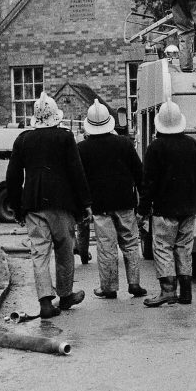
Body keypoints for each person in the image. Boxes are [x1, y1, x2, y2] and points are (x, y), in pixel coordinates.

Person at [6, 92, 91, 319]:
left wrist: (17, 207)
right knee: (64, 249)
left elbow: (12, 177)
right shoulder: (65, 137)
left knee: (39, 253)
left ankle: (45, 302)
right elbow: (77, 172)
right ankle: (65, 295)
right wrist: (85, 204)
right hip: (62, 204)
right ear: (56, 116)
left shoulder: (22, 140)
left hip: (33, 204)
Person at [138, 100, 196, 307]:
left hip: (164, 209)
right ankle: (186, 292)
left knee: (163, 247)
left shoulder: (155, 147)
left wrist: (142, 210)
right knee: (184, 248)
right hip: (189, 207)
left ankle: (168, 291)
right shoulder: (193, 144)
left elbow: (148, 183)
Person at [77, 99, 147, 300]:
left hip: (100, 205)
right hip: (125, 202)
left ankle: (108, 287)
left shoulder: (82, 148)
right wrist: (143, 206)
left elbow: (80, 180)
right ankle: (134, 283)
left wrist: (84, 204)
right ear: (109, 121)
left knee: (106, 246)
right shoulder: (125, 144)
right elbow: (139, 174)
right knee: (131, 243)